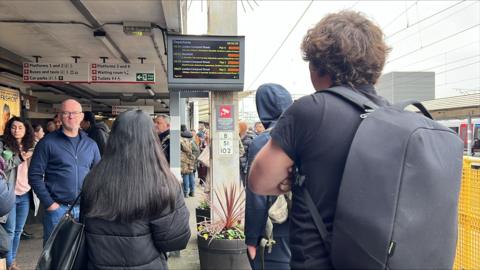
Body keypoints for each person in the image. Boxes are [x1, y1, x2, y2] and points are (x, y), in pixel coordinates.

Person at [249, 11, 390, 269]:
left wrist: (293, 178)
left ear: (317, 65)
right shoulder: (393, 115)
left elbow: (260, 181)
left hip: (319, 260)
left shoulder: (310, 110)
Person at [81, 110, 190, 269]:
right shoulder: (163, 183)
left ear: (113, 137)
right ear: (152, 138)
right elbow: (175, 240)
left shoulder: (92, 179)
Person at [29, 99, 101, 244]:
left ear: (81, 117)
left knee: (81, 253)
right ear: (60, 117)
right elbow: (34, 175)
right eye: (66, 113)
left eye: (74, 113)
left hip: (85, 210)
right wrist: (50, 204)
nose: (70, 116)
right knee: (55, 254)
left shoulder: (91, 144)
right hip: (58, 209)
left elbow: (99, 175)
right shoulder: (47, 143)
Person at [246, 84, 293, 270]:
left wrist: (252, 238)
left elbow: (256, 196)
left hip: (275, 228)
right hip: (306, 226)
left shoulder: (264, 141)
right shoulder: (308, 133)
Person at [0, 117, 36, 270]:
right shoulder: (3, 145)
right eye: (13, 127)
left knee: (18, 230)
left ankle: (11, 260)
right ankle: (9, 263)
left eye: (20, 127)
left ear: (26, 129)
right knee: (9, 230)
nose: (17, 130)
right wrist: (20, 157)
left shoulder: (32, 146)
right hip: (10, 194)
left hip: (26, 193)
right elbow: (2, 167)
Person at [180, 127, 196, 198]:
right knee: (191, 175)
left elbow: (186, 150)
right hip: (191, 160)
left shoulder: (182, 141)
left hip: (184, 160)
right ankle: (192, 192)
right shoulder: (191, 141)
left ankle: (185, 193)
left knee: (185, 175)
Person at [239, 121, 255, 186]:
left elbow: (250, 156)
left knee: (243, 184)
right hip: (237, 165)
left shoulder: (249, 139)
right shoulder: (235, 138)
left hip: (243, 166)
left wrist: (246, 169)